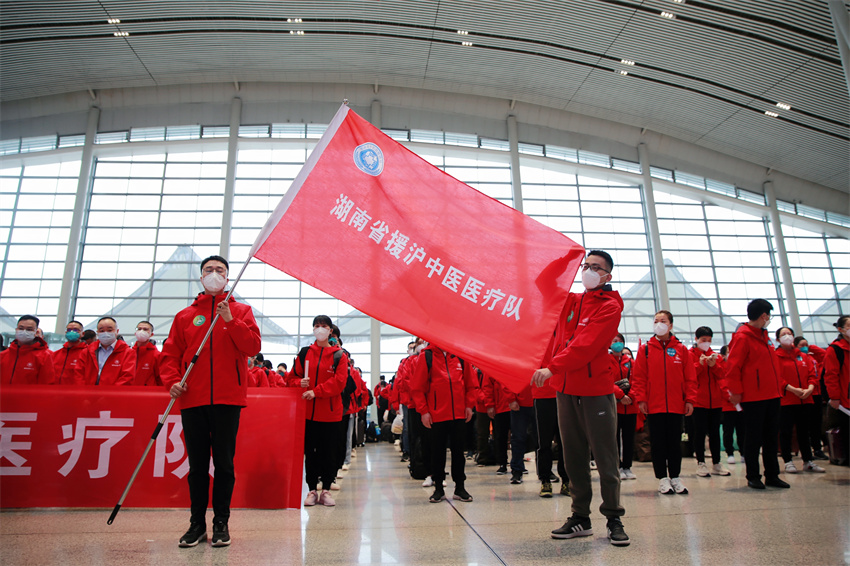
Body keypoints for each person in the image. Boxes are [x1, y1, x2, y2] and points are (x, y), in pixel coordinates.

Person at [161, 255, 261, 548]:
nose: (214, 274)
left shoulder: (241, 311)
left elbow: (252, 346)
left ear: (228, 278)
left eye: (220, 270)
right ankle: (196, 524)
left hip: (228, 399)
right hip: (192, 398)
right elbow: (169, 356)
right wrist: (172, 382)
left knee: (224, 464)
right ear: (201, 277)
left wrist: (230, 320)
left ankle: (221, 522)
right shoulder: (185, 316)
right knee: (197, 465)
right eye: (209, 270)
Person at [532, 250, 629, 547]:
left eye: (595, 267)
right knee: (572, 455)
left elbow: (586, 345)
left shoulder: (610, 306)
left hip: (596, 391)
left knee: (604, 456)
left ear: (607, 277)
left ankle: (613, 517)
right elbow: (543, 284)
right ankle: (580, 517)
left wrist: (553, 367)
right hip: (565, 390)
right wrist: (566, 258)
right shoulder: (572, 301)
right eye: (586, 266)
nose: (588, 270)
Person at [725, 299, 789, 490]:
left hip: (772, 394)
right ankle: (753, 475)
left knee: (771, 437)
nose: (769, 319)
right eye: (769, 315)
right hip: (754, 397)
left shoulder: (765, 336)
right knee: (753, 438)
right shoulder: (743, 337)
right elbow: (733, 367)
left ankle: (772, 475)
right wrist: (735, 391)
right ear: (764, 315)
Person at [631, 310, 697, 495]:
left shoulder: (681, 350)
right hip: (654, 405)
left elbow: (690, 378)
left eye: (663, 321)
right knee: (658, 443)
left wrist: (690, 399)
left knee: (674, 443)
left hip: (676, 405)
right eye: (656, 321)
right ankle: (662, 478)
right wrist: (641, 399)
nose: (659, 323)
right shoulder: (645, 349)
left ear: (670, 325)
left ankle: (675, 476)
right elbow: (639, 378)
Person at [286, 315, 349, 508]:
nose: (319, 329)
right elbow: (291, 379)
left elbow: (339, 383)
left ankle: (327, 489)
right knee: (311, 453)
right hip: (308, 414)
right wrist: (300, 383)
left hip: (330, 414)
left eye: (323, 326)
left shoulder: (339, 356)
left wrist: (316, 391)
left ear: (330, 330)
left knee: (328, 452)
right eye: (316, 326)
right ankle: (312, 489)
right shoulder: (305, 353)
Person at [409, 342, 476, 504]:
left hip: (459, 413)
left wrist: (469, 405)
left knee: (459, 452)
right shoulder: (427, 356)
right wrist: (424, 411)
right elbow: (418, 388)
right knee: (437, 452)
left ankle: (460, 487)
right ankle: (438, 488)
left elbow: (471, 384)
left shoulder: (460, 355)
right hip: (436, 414)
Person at [775, 327, 824, 474]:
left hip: (805, 398)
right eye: (783, 335)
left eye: (789, 334)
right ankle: (788, 461)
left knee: (805, 431)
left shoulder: (802, 356)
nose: (787, 336)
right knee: (786, 431)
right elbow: (777, 378)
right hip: (786, 400)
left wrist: (810, 388)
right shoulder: (776, 356)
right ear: (778, 339)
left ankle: (808, 460)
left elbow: (812, 374)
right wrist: (792, 389)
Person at [689, 327, 731, 477]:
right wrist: (700, 365)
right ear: (696, 339)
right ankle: (701, 463)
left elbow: (722, 375)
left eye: (708, 340)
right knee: (699, 432)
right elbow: (689, 375)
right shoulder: (690, 355)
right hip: (699, 401)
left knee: (714, 433)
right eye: (703, 340)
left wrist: (714, 366)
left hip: (716, 400)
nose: (705, 343)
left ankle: (717, 463)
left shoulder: (717, 356)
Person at [74, 316, 136, 386]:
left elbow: (127, 377)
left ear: (117, 331)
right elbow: (79, 375)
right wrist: (84, 392)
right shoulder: (86, 352)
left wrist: (109, 394)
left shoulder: (128, 352)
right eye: (102, 331)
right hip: (88, 394)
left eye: (109, 330)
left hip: (113, 395)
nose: (105, 333)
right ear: (97, 332)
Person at [611, 334, 639, 481]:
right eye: (614, 341)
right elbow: (607, 380)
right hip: (614, 406)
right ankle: (617, 466)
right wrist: (621, 396)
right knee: (614, 438)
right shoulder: (606, 361)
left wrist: (630, 397)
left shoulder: (631, 362)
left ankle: (627, 466)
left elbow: (637, 380)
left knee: (628, 437)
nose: (617, 344)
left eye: (620, 341)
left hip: (631, 406)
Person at [798, 336, 829, 460]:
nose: (805, 346)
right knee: (806, 424)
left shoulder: (813, 357)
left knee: (817, 423)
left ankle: (817, 448)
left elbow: (825, 355)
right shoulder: (798, 359)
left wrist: (810, 347)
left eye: (807, 344)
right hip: (805, 394)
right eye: (802, 345)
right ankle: (806, 451)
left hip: (817, 393)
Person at [822, 316, 850, 457]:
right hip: (845, 401)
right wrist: (834, 397)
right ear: (841, 329)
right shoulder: (835, 349)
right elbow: (830, 376)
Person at [1, 315, 55, 384]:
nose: (24, 332)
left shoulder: (44, 357)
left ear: (36, 333)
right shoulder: (3, 355)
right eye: (21, 328)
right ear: (16, 330)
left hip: (29, 395)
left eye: (29, 329)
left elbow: (46, 385)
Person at [52, 320, 87, 385]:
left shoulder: (87, 353)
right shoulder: (56, 354)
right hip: (56, 392)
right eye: (69, 330)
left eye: (76, 330)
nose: (72, 332)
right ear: (65, 332)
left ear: (82, 334)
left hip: (76, 393)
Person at [132, 320, 162, 386]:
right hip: (128, 392)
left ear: (151, 334)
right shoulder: (129, 353)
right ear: (135, 332)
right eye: (139, 329)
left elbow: (160, 378)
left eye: (145, 329)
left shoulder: (157, 355)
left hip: (148, 393)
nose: (141, 331)